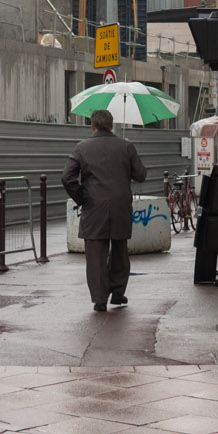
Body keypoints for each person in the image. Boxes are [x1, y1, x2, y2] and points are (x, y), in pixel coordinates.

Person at [64, 109, 147, 312]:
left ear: (92, 126)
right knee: (120, 249)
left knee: (95, 254)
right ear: (111, 125)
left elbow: (67, 177)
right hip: (120, 205)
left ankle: (100, 299)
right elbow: (141, 175)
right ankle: (118, 293)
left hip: (94, 207)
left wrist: (82, 197)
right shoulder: (126, 146)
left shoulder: (81, 147)